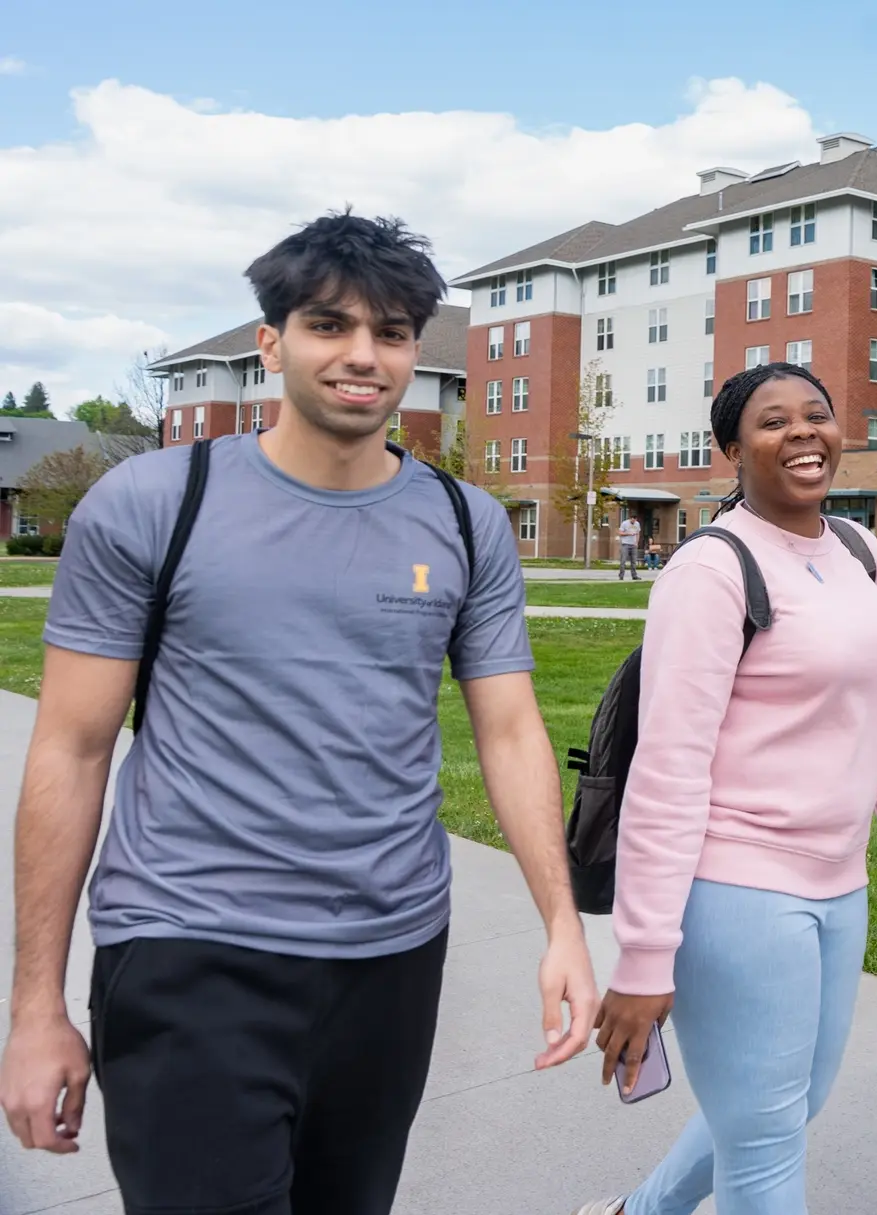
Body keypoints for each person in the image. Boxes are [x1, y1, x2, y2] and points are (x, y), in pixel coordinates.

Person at [0, 212, 598, 1214]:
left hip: (393, 952)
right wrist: (34, 1006)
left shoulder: (465, 521)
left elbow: (510, 729)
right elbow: (71, 748)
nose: (364, 356)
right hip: (191, 945)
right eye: (329, 325)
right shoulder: (153, 502)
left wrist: (563, 928)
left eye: (394, 332)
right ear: (271, 343)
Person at [580, 362, 877, 1215]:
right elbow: (667, 769)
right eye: (772, 422)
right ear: (729, 449)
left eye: (817, 416)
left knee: (789, 1108)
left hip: (839, 882)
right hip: (736, 886)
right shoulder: (710, 571)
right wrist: (644, 955)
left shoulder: (861, 551)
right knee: (764, 1143)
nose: (802, 434)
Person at [617, 511, 643, 580]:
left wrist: (637, 542)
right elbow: (620, 532)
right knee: (623, 560)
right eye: (632, 519)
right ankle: (621, 575)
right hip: (625, 544)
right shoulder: (624, 523)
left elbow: (638, 533)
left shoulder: (637, 524)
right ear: (630, 518)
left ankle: (634, 575)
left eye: (635, 520)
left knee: (634, 561)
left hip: (633, 544)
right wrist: (628, 533)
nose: (634, 521)